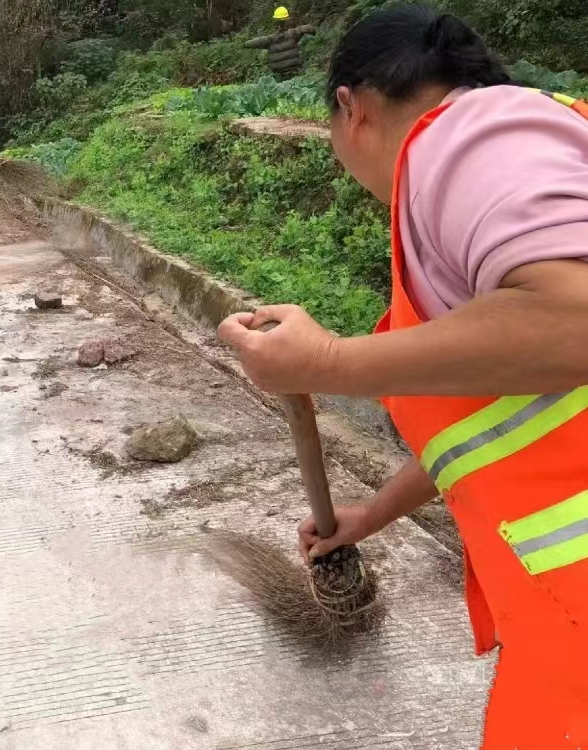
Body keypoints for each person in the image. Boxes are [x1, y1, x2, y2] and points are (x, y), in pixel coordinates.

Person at [219, 4, 588, 748]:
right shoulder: (501, 166)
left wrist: (326, 364)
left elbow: (575, 323)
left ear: (350, 107)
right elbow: (502, 414)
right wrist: (376, 512)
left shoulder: (471, 136)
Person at [245, 6, 315, 79]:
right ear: (287, 20)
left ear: (276, 21)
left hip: (278, 75)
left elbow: (255, 42)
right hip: (294, 72)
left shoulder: (270, 40)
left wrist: (244, 44)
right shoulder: (293, 34)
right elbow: (309, 28)